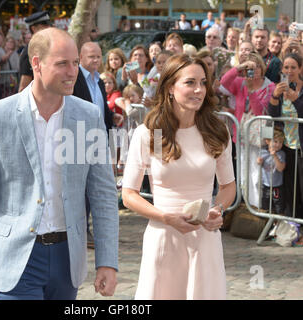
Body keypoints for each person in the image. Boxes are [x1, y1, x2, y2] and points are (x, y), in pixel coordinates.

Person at [0, 27, 119, 300]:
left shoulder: (88, 117)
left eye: (75, 63)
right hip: (16, 257)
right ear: (36, 63)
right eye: (62, 64)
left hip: (68, 258)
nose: (73, 72)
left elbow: (103, 193)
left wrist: (107, 261)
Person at [121, 54, 236, 299]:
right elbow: (129, 194)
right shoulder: (149, 133)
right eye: (190, 82)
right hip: (163, 236)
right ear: (171, 87)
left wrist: (218, 209)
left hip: (205, 239)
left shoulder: (217, 131)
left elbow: (228, 186)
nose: (199, 90)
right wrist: (166, 217)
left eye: (203, 83)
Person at [72, 41, 123, 249]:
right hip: (78, 139)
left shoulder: (99, 81)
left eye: (98, 56)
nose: (96, 60)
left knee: (97, 184)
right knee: (81, 186)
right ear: (81, 58)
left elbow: (100, 107)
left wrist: (113, 118)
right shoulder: (74, 79)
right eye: (91, 56)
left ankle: (89, 228)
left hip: (101, 139)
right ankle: (80, 230)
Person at [221, 52, 275, 208]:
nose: (254, 70)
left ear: (262, 68)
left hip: (259, 138)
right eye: (250, 67)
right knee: (243, 173)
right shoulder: (240, 82)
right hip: (242, 135)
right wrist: (238, 68)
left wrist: (251, 92)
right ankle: (246, 207)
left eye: (257, 66)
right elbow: (224, 82)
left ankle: (256, 207)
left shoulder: (269, 86)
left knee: (256, 175)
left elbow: (260, 112)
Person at [268, 53, 303, 219]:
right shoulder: (281, 88)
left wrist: (296, 99)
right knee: (291, 189)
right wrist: (275, 96)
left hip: (301, 147)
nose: (289, 71)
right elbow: (274, 116)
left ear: (300, 69)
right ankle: (295, 225)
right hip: (289, 146)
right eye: (286, 67)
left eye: (293, 67)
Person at [18, 11, 52, 92]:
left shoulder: (45, 47)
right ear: (33, 28)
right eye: (44, 25)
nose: (48, 28)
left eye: (48, 24)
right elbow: (23, 87)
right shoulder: (30, 51)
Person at [256, 128, 286, 214]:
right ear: (267, 141)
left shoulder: (281, 154)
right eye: (275, 141)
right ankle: (265, 221)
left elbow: (280, 168)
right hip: (266, 184)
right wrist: (259, 162)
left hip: (277, 186)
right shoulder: (263, 152)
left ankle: (278, 222)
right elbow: (259, 163)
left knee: (278, 205)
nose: (278, 144)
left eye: (280, 142)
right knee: (265, 203)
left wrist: (275, 156)